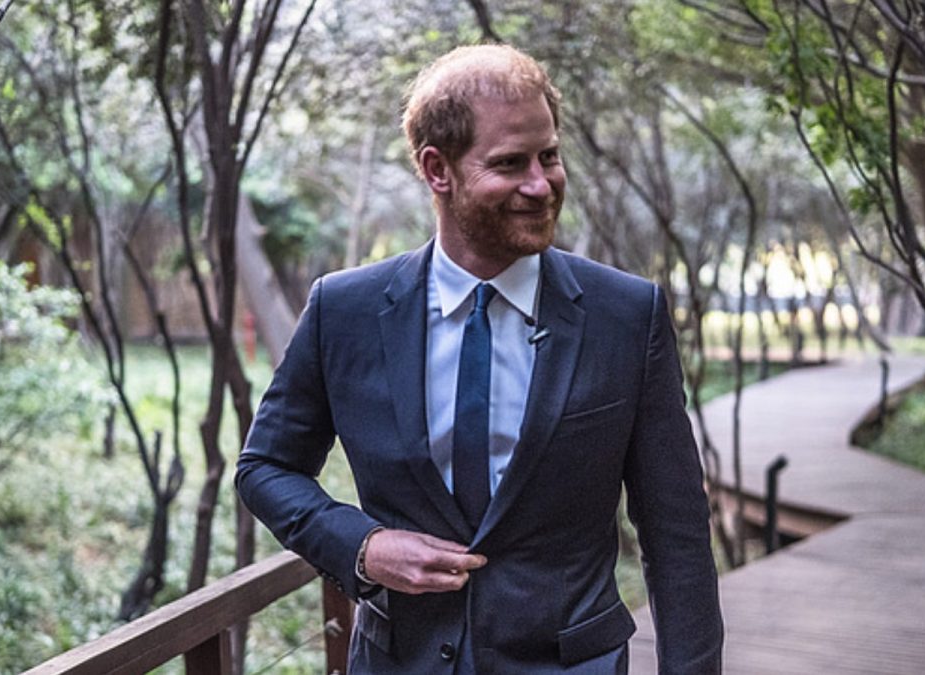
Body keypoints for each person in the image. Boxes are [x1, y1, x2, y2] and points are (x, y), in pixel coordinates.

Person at [236, 44, 723, 674]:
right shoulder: (343, 310)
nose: (541, 183)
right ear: (438, 170)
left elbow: (676, 533)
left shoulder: (627, 315)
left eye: (549, 156)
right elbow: (265, 466)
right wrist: (364, 547)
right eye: (510, 163)